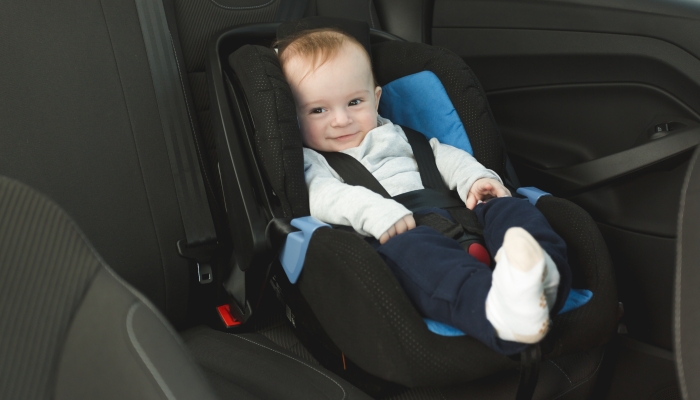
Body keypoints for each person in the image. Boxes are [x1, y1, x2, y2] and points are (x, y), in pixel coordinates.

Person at [275, 28, 571, 354]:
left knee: (508, 206)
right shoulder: (312, 161)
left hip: (461, 215)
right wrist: (374, 211)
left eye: (355, 102)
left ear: (376, 98)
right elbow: (322, 194)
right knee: (417, 253)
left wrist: (475, 179)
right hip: (396, 235)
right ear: (294, 116)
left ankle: (542, 273)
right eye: (319, 110)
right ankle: (499, 312)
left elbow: (443, 157)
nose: (341, 120)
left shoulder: (400, 136)